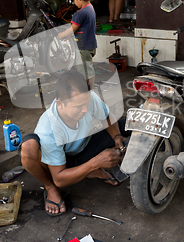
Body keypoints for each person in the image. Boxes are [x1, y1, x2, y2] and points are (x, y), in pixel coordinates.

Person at [20, 70, 129, 216]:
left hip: (84, 147)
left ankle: (88, 170)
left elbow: (106, 116)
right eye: (78, 107)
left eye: (87, 104)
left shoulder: (86, 98)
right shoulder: (48, 129)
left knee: (128, 125)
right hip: (61, 164)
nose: (85, 110)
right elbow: (60, 178)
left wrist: (116, 136)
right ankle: (50, 188)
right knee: (29, 148)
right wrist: (96, 162)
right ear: (61, 104)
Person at [58, 0, 97, 89]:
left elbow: (72, 29)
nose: (74, 1)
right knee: (87, 68)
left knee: (85, 71)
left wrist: (62, 35)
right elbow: (82, 29)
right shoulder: (91, 8)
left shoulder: (80, 13)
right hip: (90, 45)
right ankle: (89, 89)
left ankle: (89, 90)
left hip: (83, 47)